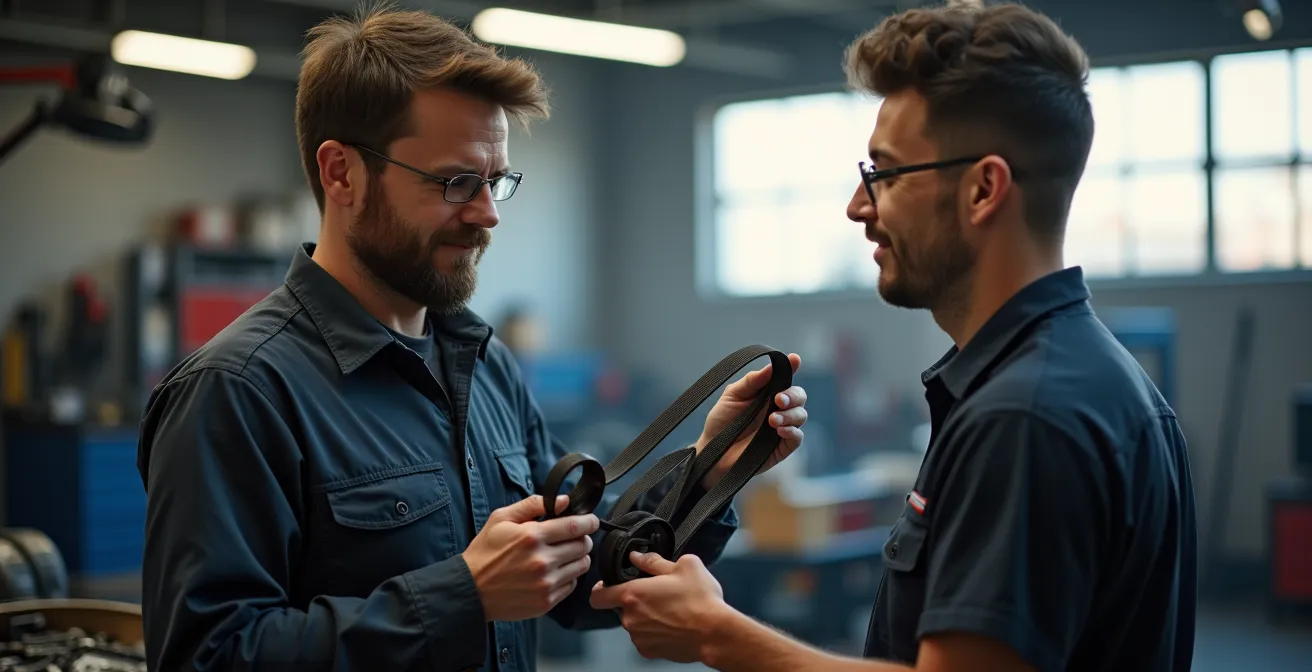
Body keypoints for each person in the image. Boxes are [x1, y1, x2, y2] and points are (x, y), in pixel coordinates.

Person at [134, 6, 809, 672]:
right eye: (456, 182)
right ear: (341, 172)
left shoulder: (486, 368)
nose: (486, 214)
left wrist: (707, 470)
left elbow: (579, 575)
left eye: (496, 182)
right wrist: (464, 595)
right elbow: (209, 655)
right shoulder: (238, 393)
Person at [590, 4, 1198, 672]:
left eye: (884, 173)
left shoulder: (1024, 416)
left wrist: (717, 635)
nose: (858, 205)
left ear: (982, 190)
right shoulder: (1080, 378)